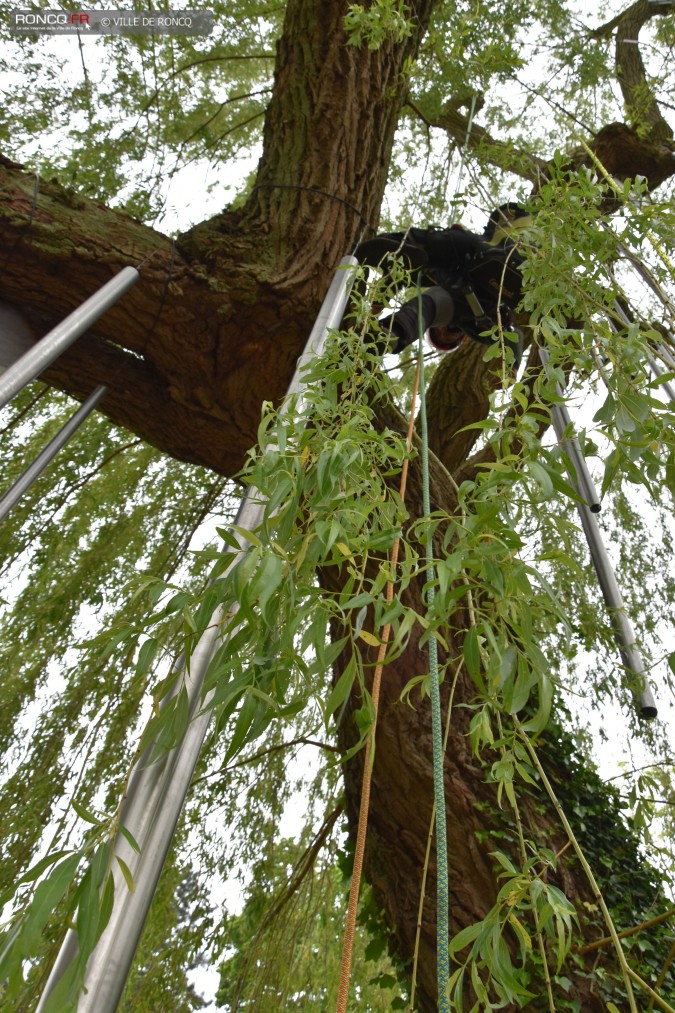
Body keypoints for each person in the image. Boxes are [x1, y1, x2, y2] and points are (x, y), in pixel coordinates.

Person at [355, 203, 529, 365]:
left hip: (476, 258)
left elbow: (402, 278)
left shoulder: (440, 283)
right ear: (460, 338)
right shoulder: (474, 326)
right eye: (446, 337)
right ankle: (390, 334)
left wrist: (377, 303)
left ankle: (398, 250)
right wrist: (512, 367)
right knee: (431, 299)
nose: (443, 332)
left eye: (438, 332)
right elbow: (512, 335)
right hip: (481, 285)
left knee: (439, 250)